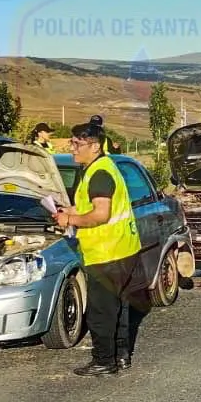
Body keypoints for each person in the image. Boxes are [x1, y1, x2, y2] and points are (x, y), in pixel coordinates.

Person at [51, 123, 146, 376]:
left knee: (101, 312)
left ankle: (104, 361)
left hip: (107, 253)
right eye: (71, 143)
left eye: (77, 144)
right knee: (119, 308)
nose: (72, 149)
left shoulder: (99, 174)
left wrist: (70, 220)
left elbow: (101, 214)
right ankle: (121, 355)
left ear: (94, 146)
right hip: (124, 249)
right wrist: (69, 211)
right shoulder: (102, 168)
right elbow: (92, 207)